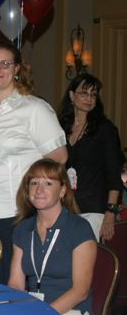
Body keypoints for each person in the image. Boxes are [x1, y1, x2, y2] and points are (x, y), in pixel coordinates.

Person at [0, 41, 67, 284]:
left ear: (17, 69)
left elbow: (59, 157)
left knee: (9, 285)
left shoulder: (34, 109)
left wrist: (32, 187)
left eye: (5, 63)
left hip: (15, 211)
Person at [9, 158, 96, 315]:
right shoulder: (22, 229)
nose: (39, 190)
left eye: (48, 183)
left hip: (71, 310)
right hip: (33, 308)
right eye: (34, 183)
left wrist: (43, 313)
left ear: (62, 191)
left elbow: (80, 291)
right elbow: (15, 284)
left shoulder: (79, 228)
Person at [58, 74, 123, 241]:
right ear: (72, 96)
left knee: (84, 262)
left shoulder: (104, 129)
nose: (89, 98)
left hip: (94, 209)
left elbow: (114, 174)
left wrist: (110, 212)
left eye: (93, 94)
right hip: (65, 208)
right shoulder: (61, 127)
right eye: (84, 93)